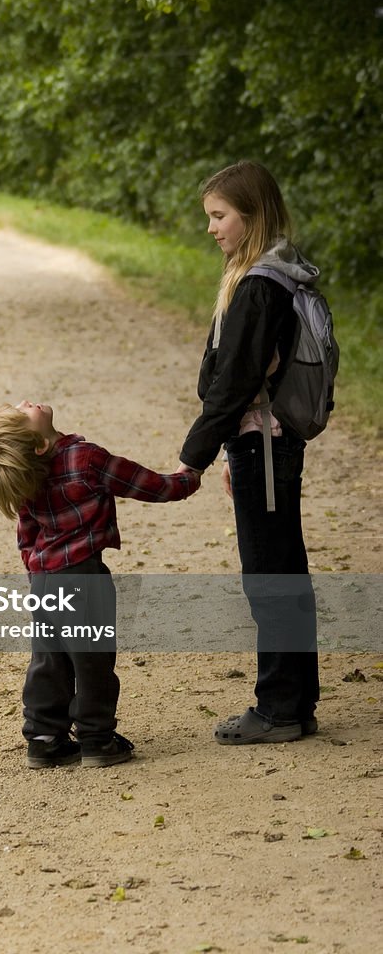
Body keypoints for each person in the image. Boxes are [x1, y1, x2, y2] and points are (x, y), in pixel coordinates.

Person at [0, 400, 200, 768]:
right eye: (22, 413)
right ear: (40, 444)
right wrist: (189, 476)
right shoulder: (86, 459)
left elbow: (26, 536)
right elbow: (149, 485)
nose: (25, 403)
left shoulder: (27, 473)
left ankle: (44, 739)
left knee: (49, 659)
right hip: (84, 577)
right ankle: (96, 740)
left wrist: (37, 580)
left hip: (44, 581)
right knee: (92, 662)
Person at [177, 160, 320, 744]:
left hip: (263, 442)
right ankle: (295, 701)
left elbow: (234, 380)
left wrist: (194, 457)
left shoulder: (259, 285)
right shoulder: (273, 271)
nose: (212, 228)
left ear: (252, 216)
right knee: (284, 565)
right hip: (267, 442)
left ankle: (280, 709)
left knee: (269, 574)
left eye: (220, 216)